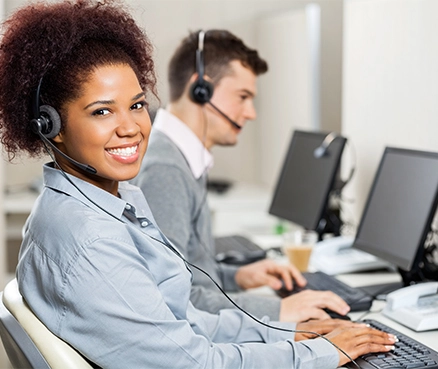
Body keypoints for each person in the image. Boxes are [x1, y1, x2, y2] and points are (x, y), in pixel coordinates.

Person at [0, 1, 397, 367]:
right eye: (102, 111)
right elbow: (194, 362)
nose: (131, 128)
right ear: (50, 128)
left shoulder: (104, 204)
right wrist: (316, 354)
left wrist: (291, 332)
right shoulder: (92, 239)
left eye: (137, 105)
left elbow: (182, 321)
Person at [132, 29, 349, 322]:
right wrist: (280, 310)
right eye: (243, 97)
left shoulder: (180, 156)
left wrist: (239, 276)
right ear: (201, 90)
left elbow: (187, 271)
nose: (251, 113)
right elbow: (175, 300)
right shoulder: (166, 170)